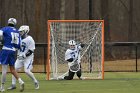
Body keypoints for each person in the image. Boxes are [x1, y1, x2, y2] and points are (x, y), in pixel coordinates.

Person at [7, 25, 39, 90]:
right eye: (20, 32)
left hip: (28, 58)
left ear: (26, 31)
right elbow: (15, 47)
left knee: (27, 71)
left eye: (22, 31)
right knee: (14, 69)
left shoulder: (30, 39)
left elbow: (31, 50)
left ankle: (35, 81)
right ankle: (13, 85)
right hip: (19, 57)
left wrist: (24, 55)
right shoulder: (18, 38)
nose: (20, 33)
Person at [0, 18, 24, 92]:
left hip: (5, 49)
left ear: (8, 22)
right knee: (12, 69)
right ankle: (20, 81)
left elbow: (0, 35)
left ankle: (2, 87)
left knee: (4, 69)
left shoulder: (4, 29)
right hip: (13, 51)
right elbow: (19, 44)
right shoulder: (17, 32)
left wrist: (1, 41)